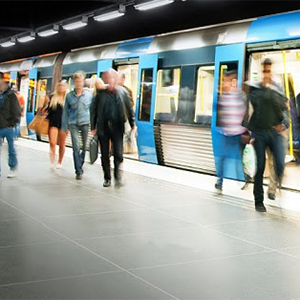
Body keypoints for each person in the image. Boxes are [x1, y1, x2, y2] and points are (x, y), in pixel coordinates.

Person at [247, 58, 288, 212]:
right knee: (260, 166)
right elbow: (254, 103)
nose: (266, 74)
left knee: (280, 163)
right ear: (261, 71)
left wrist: (283, 124)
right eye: (264, 71)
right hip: (259, 132)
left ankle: (273, 188)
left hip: (274, 131)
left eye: (269, 71)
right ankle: (259, 200)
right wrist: (264, 88)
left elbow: (283, 107)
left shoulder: (277, 88)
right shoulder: (255, 88)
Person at [90, 69, 136, 187]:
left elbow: (129, 109)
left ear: (116, 79)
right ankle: (107, 178)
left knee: (118, 153)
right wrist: (93, 126)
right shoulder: (100, 94)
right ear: (105, 80)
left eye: (113, 78)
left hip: (117, 126)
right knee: (105, 154)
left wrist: (133, 124)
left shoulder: (123, 92)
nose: (110, 80)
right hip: (103, 127)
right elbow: (93, 110)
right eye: (108, 78)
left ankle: (117, 176)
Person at [215, 70, 247, 193]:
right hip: (227, 133)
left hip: (238, 134)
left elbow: (246, 115)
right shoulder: (223, 97)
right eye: (225, 80)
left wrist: (246, 132)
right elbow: (222, 116)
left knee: (237, 158)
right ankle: (220, 182)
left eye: (228, 80)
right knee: (223, 158)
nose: (226, 82)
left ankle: (241, 181)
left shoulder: (241, 96)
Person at [62, 71, 93, 180]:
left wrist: (94, 125)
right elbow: (65, 112)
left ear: (83, 81)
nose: (78, 83)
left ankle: (81, 162)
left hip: (85, 123)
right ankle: (78, 170)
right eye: (76, 81)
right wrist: (64, 127)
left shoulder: (89, 95)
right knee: (76, 147)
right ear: (74, 82)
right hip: (73, 123)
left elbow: (93, 111)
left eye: (80, 81)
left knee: (84, 147)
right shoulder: (69, 96)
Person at [0, 73, 21, 179]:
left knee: (11, 148)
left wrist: (12, 124)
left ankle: (12, 167)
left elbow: (17, 110)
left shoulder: (11, 95)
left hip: (7, 126)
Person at [46, 80, 68, 169]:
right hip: (53, 122)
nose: (61, 87)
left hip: (64, 123)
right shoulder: (52, 97)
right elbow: (47, 110)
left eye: (63, 86)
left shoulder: (68, 98)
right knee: (52, 142)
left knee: (62, 143)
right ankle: (52, 161)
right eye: (59, 86)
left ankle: (60, 161)